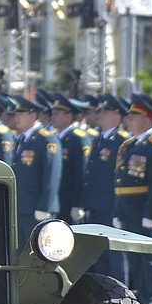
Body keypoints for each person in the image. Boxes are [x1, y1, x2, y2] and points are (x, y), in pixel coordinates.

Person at [112, 94, 152, 304]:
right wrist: (118, 212)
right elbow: (119, 180)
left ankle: (151, 303)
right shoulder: (129, 145)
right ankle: (139, 301)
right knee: (134, 259)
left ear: (147, 119)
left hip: (143, 210)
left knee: (149, 260)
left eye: (135, 115)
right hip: (127, 210)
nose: (130, 119)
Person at [82, 95, 131, 282]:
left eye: (105, 111)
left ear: (117, 116)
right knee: (98, 254)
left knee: (115, 255)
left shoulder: (121, 141)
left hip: (110, 205)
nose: (100, 115)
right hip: (95, 205)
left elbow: (119, 178)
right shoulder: (98, 139)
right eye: (99, 111)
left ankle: (118, 293)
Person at [10, 95, 61, 253]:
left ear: (33, 116)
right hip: (21, 207)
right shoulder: (22, 139)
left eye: (21, 114)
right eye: (16, 114)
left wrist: (44, 206)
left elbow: (52, 175)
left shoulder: (46, 139)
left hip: (36, 209)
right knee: (21, 254)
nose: (16, 117)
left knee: (39, 254)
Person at [50, 94, 92, 224]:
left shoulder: (78, 138)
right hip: (57, 199)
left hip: (69, 200)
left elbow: (81, 174)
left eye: (57, 113)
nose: (53, 117)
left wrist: (77, 204)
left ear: (69, 116)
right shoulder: (54, 137)